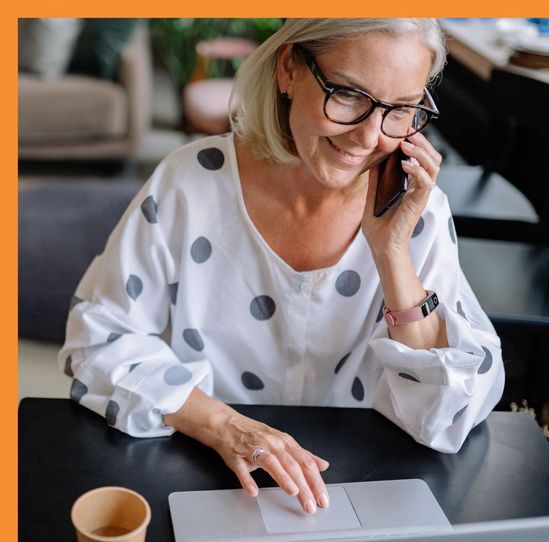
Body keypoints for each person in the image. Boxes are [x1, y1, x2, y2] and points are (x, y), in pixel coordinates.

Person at [59, 18, 504, 515]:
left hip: (359, 491)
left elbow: (446, 416)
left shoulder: (416, 211)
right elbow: (96, 341)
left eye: (399, 110)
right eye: (349, 95)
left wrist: (392, 253)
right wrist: (224, 426)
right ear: (289, 68)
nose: (368, 137)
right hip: (209, 472)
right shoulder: (189, 184)